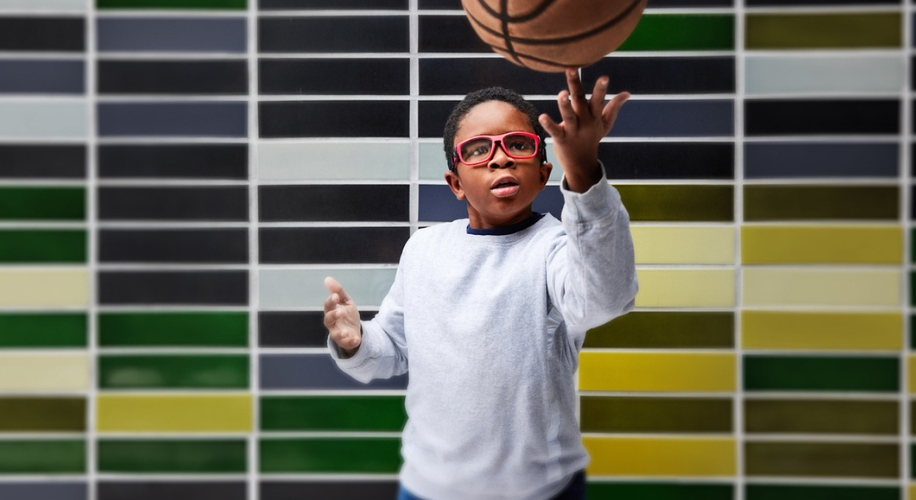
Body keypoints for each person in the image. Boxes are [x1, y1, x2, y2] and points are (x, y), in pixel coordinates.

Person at [323, 68, 638, 500]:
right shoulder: (424, 250)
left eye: (519, 145)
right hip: (429, 488)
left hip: (539, 490)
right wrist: (356, 340)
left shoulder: (558, 249)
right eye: (478, 150)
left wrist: (583, 172)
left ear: (544, 172)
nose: (500, 158)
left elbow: (607, 297)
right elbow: (392, 351)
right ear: (455, 183)